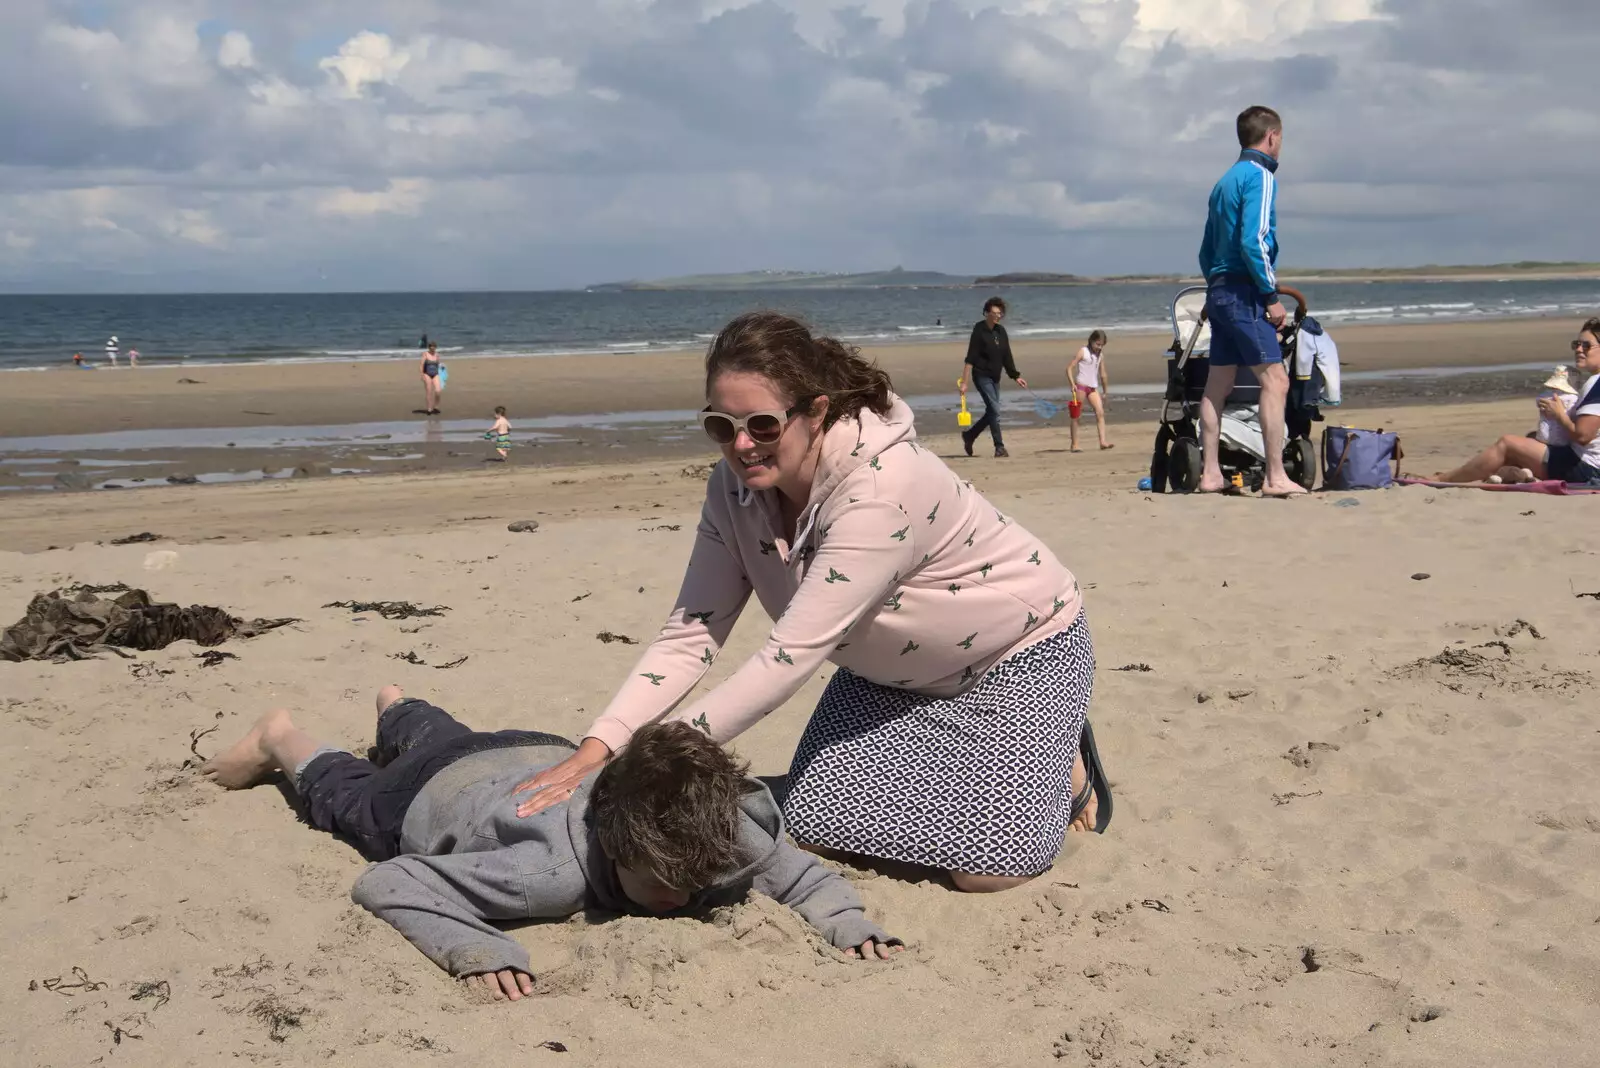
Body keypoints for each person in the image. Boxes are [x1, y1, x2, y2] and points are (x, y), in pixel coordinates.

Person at [512, 312, 1109, 894]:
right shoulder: (732, 489)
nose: (742, 445)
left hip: (1020, 653)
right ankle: (1009, 762)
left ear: (816, 410)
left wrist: (651, 760)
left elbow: (789, 655)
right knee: (812, 824)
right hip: (885, 674)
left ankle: (1064, 759)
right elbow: (691, 633)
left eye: (763, 425)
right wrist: (600, 747)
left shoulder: (882, 486)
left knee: (988, 870)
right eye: (721, 426)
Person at [201, 686, 902, 1003]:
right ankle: (280, 734)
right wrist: (480, 948)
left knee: (444, 736)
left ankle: (398, 705)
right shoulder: (546, 873)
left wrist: (846, 921)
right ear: (613, 840)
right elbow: (393, 882)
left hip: (530, 753)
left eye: (698, 880)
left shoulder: (724, 825)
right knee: (349, 799)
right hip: (433, 791)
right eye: (663, 881)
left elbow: (800, 877)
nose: (685, 896)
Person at [1196, 105, 1302, 497]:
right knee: (1276, 380)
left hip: (1221, 289)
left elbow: (1206, 251)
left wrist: (1213, 289)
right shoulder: (1260, 176)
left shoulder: (1223, 182)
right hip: (1243, 291)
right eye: (1281, 139)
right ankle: (1275, 476)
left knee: (1217, 385)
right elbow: (1253, 240)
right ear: (1271, 137)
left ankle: (1210, 474)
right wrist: (1270, 296)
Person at [1437, 318, 1600, 485]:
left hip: (1586, 469)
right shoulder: (1594, 381)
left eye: (1586, 345)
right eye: (1576, 344)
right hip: (1587, 463)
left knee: (1507, 443)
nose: (1579, 349)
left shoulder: (1596, 384)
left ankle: (1443, 479)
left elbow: (1583, 436)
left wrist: (1559, 414)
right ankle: (1512, 475)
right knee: (1531, 439)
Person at [958, 297, 1028, 458]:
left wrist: (1015, 376)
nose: (997, 316)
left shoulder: (1000, 331)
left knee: (992, 411)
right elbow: (970, 358)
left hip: (995, 377)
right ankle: (999, 447)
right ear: (987, 313)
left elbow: (1006, 356)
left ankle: (969, 436)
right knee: (995, 410)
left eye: (1000, 313)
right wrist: (964, 382)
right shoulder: (979, 330)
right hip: (981, 375)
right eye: (994, 313)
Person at [1065, 330, 1112, 452]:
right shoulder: (1083, 351)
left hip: (1092, 388)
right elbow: (1069, 368)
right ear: (1091, 341)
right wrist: (1072, 384)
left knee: (1100, 412)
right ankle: (1074, 444)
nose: (1099, 347)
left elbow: (1103, 374)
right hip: (1081, 386)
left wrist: (1105, 391)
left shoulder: (1100, 355)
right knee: (1076, 415)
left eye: (1101, 345)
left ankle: (1102, 442)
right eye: (1097, 344)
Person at [420, 342, 442, 416]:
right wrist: (422, 374)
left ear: (435, 347)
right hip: (427, 374)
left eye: (434, 347)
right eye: (431, 347)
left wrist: (442, 371)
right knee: (429, 391)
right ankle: (429, 408)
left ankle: (436, 407)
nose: (432, 348)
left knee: (438, 391)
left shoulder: (437, 355)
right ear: (429, 348)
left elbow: (439, 364)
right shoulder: (425, 354)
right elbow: (421, 365)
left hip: (435, 374)